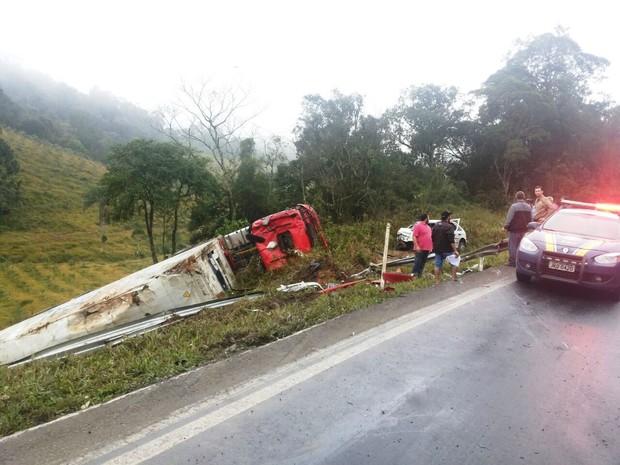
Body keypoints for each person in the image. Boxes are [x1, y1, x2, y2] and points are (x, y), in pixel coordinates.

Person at [503, 191, 532, 267]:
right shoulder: (529, 207)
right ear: (524, 197)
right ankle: (520, 262)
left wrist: (505, 227)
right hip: (525, 230)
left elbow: (509, 218)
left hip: (515, 230)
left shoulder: (514, 206)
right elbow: (531, 219)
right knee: (521, 246)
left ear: (516, 197)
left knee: (513, 246)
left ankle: (513, 262)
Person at [432, 210, 460, 284]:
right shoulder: (449, 226)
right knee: (455, 261)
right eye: (450, 216)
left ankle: (437, 281)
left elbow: (432, 237)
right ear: (448, 217)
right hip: (447, 250)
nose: (451, 217)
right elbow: (451, 240)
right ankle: (453, 277)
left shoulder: (436, 225)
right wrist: (455, 250)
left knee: (437, 265)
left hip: (437, 249)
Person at [411, 212, 432, 278]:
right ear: (426, 218)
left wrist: (431, 247)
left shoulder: (428, 227)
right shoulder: (418, 225)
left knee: (423, 262)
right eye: (428, 217)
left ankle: (419, 274)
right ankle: (413, 274)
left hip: (427, 248)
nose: (429, 219)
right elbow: (414, 236)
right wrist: (417, 245)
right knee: (418, 261)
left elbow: (430, 237)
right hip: (420, 247)